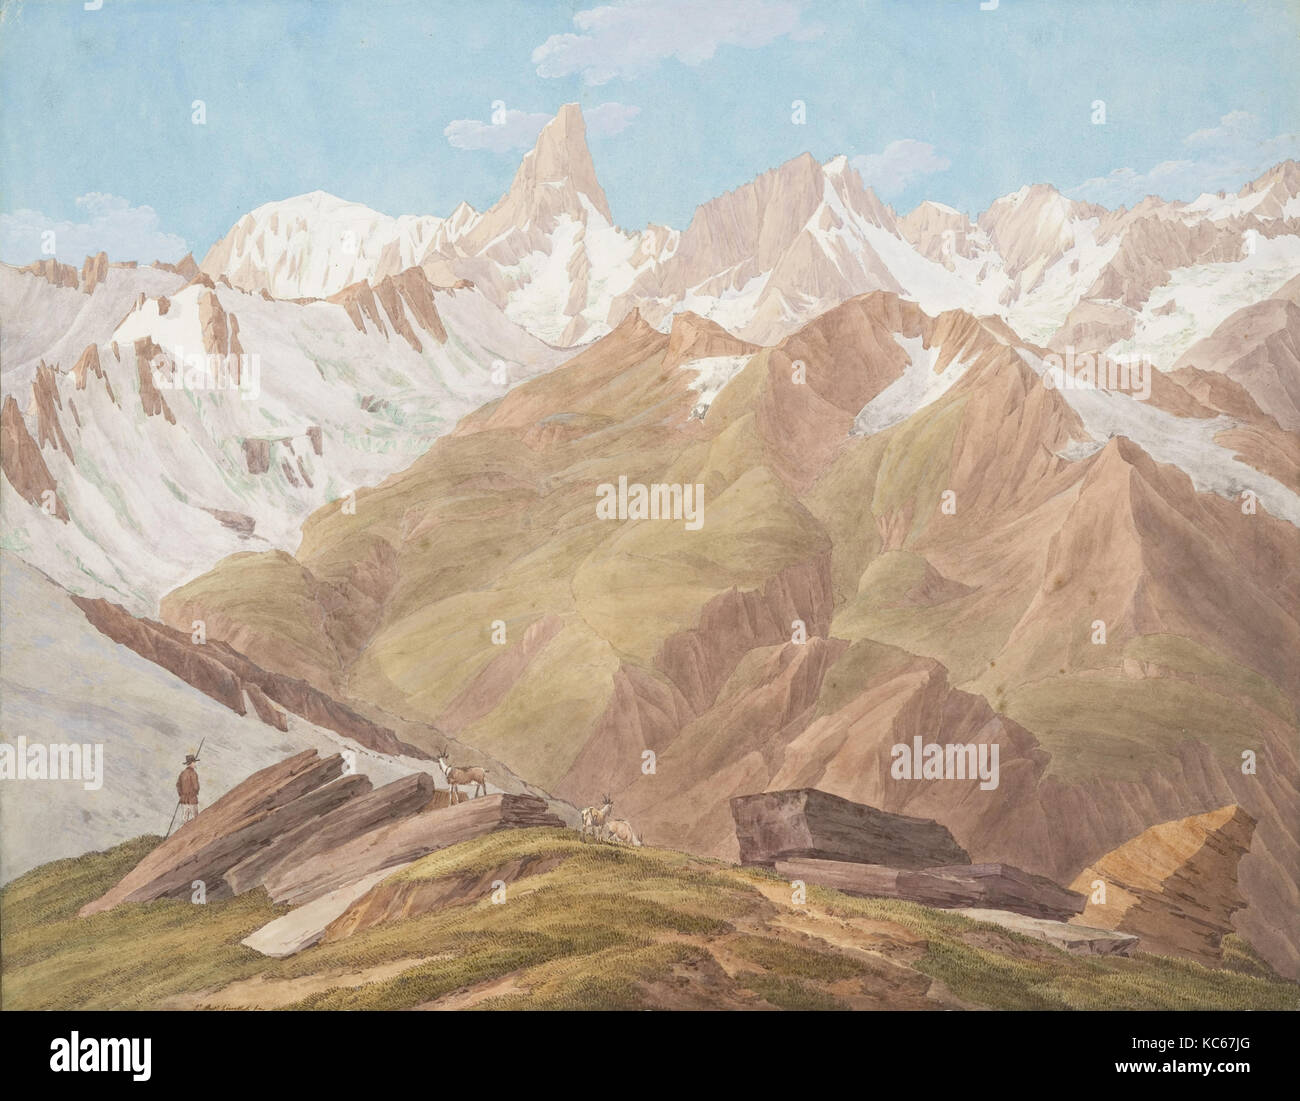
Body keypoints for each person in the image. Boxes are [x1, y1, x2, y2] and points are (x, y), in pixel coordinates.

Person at [176, 753, 200, 826]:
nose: (195, 764)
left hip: (183, 800)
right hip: (192, 799)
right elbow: (196, 786)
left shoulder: (182, 773)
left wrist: (181, 794)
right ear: (191, 763)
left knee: (184, 819)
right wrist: (196, 792)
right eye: (194, 762)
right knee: (196, 819)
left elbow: (178, 785)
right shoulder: (193, 773)